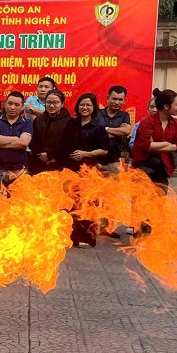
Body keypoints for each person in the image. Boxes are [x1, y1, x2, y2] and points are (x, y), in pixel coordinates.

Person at [68, 92, 111, 246]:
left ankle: (87, 237)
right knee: (73, 204)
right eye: (82, 104)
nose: (84, 107)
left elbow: (104, 150)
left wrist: (86, 154)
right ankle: (73, 237)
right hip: (72, 169)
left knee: (88, 204)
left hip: (90, 171)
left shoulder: (98, 126)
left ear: (93, 108)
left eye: (88, 105)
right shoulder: (71, 123)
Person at [131, 89, 177, 186]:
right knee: (142, 193)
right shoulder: (147, 122)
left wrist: (155, 145)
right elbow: (145, 146)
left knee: (161, 194)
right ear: (166, 106)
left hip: (163, 167)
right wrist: (167, 143)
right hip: (144, 165)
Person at [0, 91, 33, 199]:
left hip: (19, 170)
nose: (12, 107)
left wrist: (2, 141)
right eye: (10, 103)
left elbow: (24, 142)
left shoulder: (27, 123)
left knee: (19, 203)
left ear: (22, 107)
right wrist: (16, 139)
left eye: (17, 105)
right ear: (5, 104)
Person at [28, 89, 78, 174]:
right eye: (48, 102)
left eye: (55, 103)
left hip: (60, 165)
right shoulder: (38, 120)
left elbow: (69, 144)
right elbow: (32, 141)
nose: (51, 106)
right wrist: (41, 155)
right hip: (38, 164)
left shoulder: (70, 121)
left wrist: (50, 155)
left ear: (62, 104)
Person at [95, 85, 133, 170]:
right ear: (107, 98)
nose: (116, 102)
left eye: (120, 100)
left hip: (114, 161)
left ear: (125, 100)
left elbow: (126, 131)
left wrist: (105, 129)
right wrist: (118, 133)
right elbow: (93, 132)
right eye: (114, 99)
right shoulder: (97, 113)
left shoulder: (124, 115)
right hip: (95, 159)